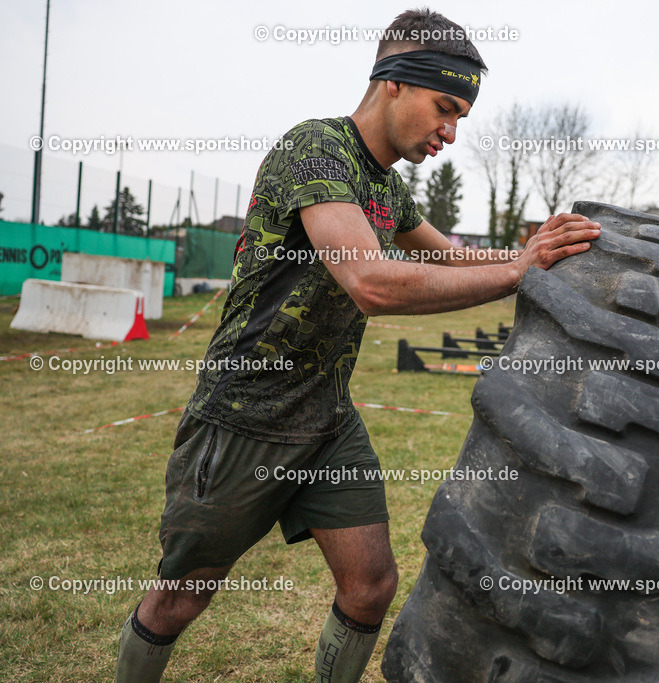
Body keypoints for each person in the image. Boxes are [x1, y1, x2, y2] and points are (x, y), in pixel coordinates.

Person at [113, 9, 601, 683]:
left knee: (370, 586)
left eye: (461, 117)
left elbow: (450, 257)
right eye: (445, 108)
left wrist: (531, 253)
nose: (451, 132)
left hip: (327, 420)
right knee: (181, 598)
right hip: (244, 418)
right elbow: (369, 281)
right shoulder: (315, 150)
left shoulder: (387, 187)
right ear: (394, 81)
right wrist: (517, 271)